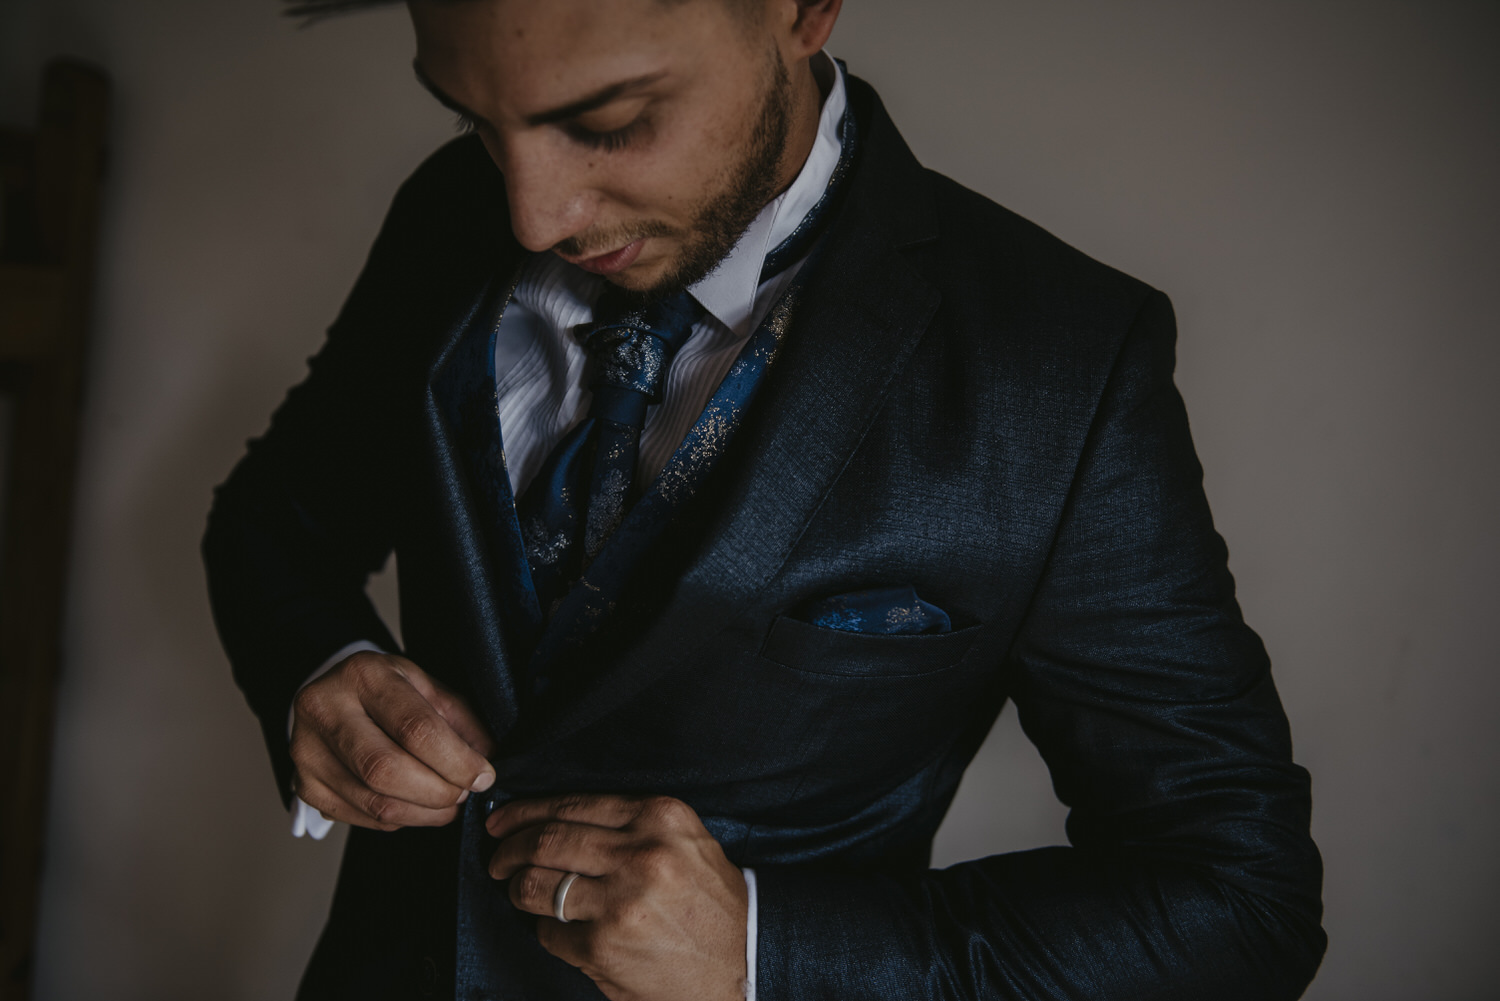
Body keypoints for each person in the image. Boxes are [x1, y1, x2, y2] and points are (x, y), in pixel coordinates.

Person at [202, 0, 1327, 998]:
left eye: (609, 122)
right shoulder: (447, 215)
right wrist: (319, 666)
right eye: (476, 124)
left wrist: (765, 953)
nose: (534, 214)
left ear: (803, 9)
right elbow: (276, 522)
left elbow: (1242, 901)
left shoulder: (1061, 365)